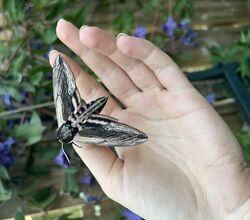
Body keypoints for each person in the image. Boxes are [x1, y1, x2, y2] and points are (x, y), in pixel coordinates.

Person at [48, 19, 250, 220]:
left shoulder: (82, 136)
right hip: (90, 111)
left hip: (92, 115)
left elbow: (64, 90)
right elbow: (63, 91)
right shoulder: (72, 122)